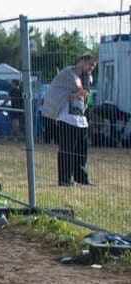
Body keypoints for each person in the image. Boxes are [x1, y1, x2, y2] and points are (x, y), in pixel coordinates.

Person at [42, 54, 96, 187]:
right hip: (66, 118)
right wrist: (77, 94)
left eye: (94, 66)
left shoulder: (86, 78)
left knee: (81, 150)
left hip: (80, 118)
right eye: (90, 64)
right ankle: (65, 179)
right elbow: (65, 93)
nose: (91, 68)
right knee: (67, 149)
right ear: (81, 61)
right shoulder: (68, 74)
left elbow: (86, 94)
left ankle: (81, 177)